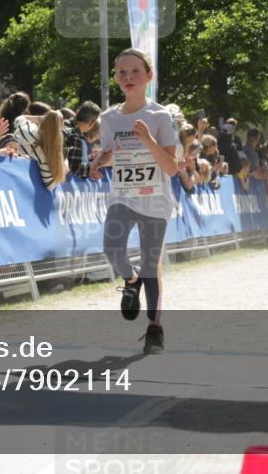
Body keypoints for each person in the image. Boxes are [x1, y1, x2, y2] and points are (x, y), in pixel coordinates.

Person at [88, 48, 178, 354]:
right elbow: (112, 151)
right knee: (112, 248)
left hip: (155, 200)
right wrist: (100, 159)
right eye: (121, 72)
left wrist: (148, 141)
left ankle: (155, 328)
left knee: (152, 265)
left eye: (134, 71)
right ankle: (130, 279)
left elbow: (171, 167)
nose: (127, 77)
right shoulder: (109, 117)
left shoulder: (160, 116)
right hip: (123, 197)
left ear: (149, 76)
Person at [13, 109, 68, 190]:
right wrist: (65, 165)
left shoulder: (27, 129)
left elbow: (19, 119)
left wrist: (40, 118)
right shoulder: (45, 155)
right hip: (22, 189)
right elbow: (50, 185)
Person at [63, 100, 101, 179]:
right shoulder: (76, 136)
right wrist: (95, 164)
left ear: (77, 113)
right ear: (92, 123)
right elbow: (75, 168)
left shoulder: (62, 124)